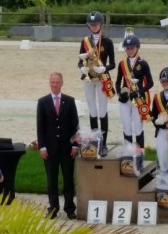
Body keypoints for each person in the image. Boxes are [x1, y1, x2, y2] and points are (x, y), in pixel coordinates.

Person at [37, 72, 79, 220]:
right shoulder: (42, 102)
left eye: (57, 82)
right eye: (52, 82)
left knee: (68, 179)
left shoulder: (69, 101)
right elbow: (40, 127)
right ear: (50, 83)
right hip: (50, 149)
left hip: (67, 149)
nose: (55, 84)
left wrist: (75, 145)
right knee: (51, 180)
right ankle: (53, 207)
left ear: (62, 83)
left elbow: (75, 125)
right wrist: (42, 147)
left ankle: (69, 208)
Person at [78, 11, 115, 157]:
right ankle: (95, 142)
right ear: (88, 25)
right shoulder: (84, 41)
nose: (94, 26)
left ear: (101, 24)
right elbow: (80, 59)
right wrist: (81, 67)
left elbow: (113, 63)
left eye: (96, 24)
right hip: (88, 79)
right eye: (91, 24)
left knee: (102, 110)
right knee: (92, 110)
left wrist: (104, 68)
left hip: (102, 79)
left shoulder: (107, 42)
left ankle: (104, 144)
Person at [115, 34, 154, 149]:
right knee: (127, 127)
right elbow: (118, 82)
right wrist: (119, 92)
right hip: (125, 99)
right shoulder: (122, 64)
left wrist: (140, 92)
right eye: (127, 48)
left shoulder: (143, 63)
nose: (130, 50)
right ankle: (128, 153)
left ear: (137, 47)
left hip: (138, 99)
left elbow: (150, 83)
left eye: (132, 47)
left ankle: (139, 154)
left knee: (138, 127)